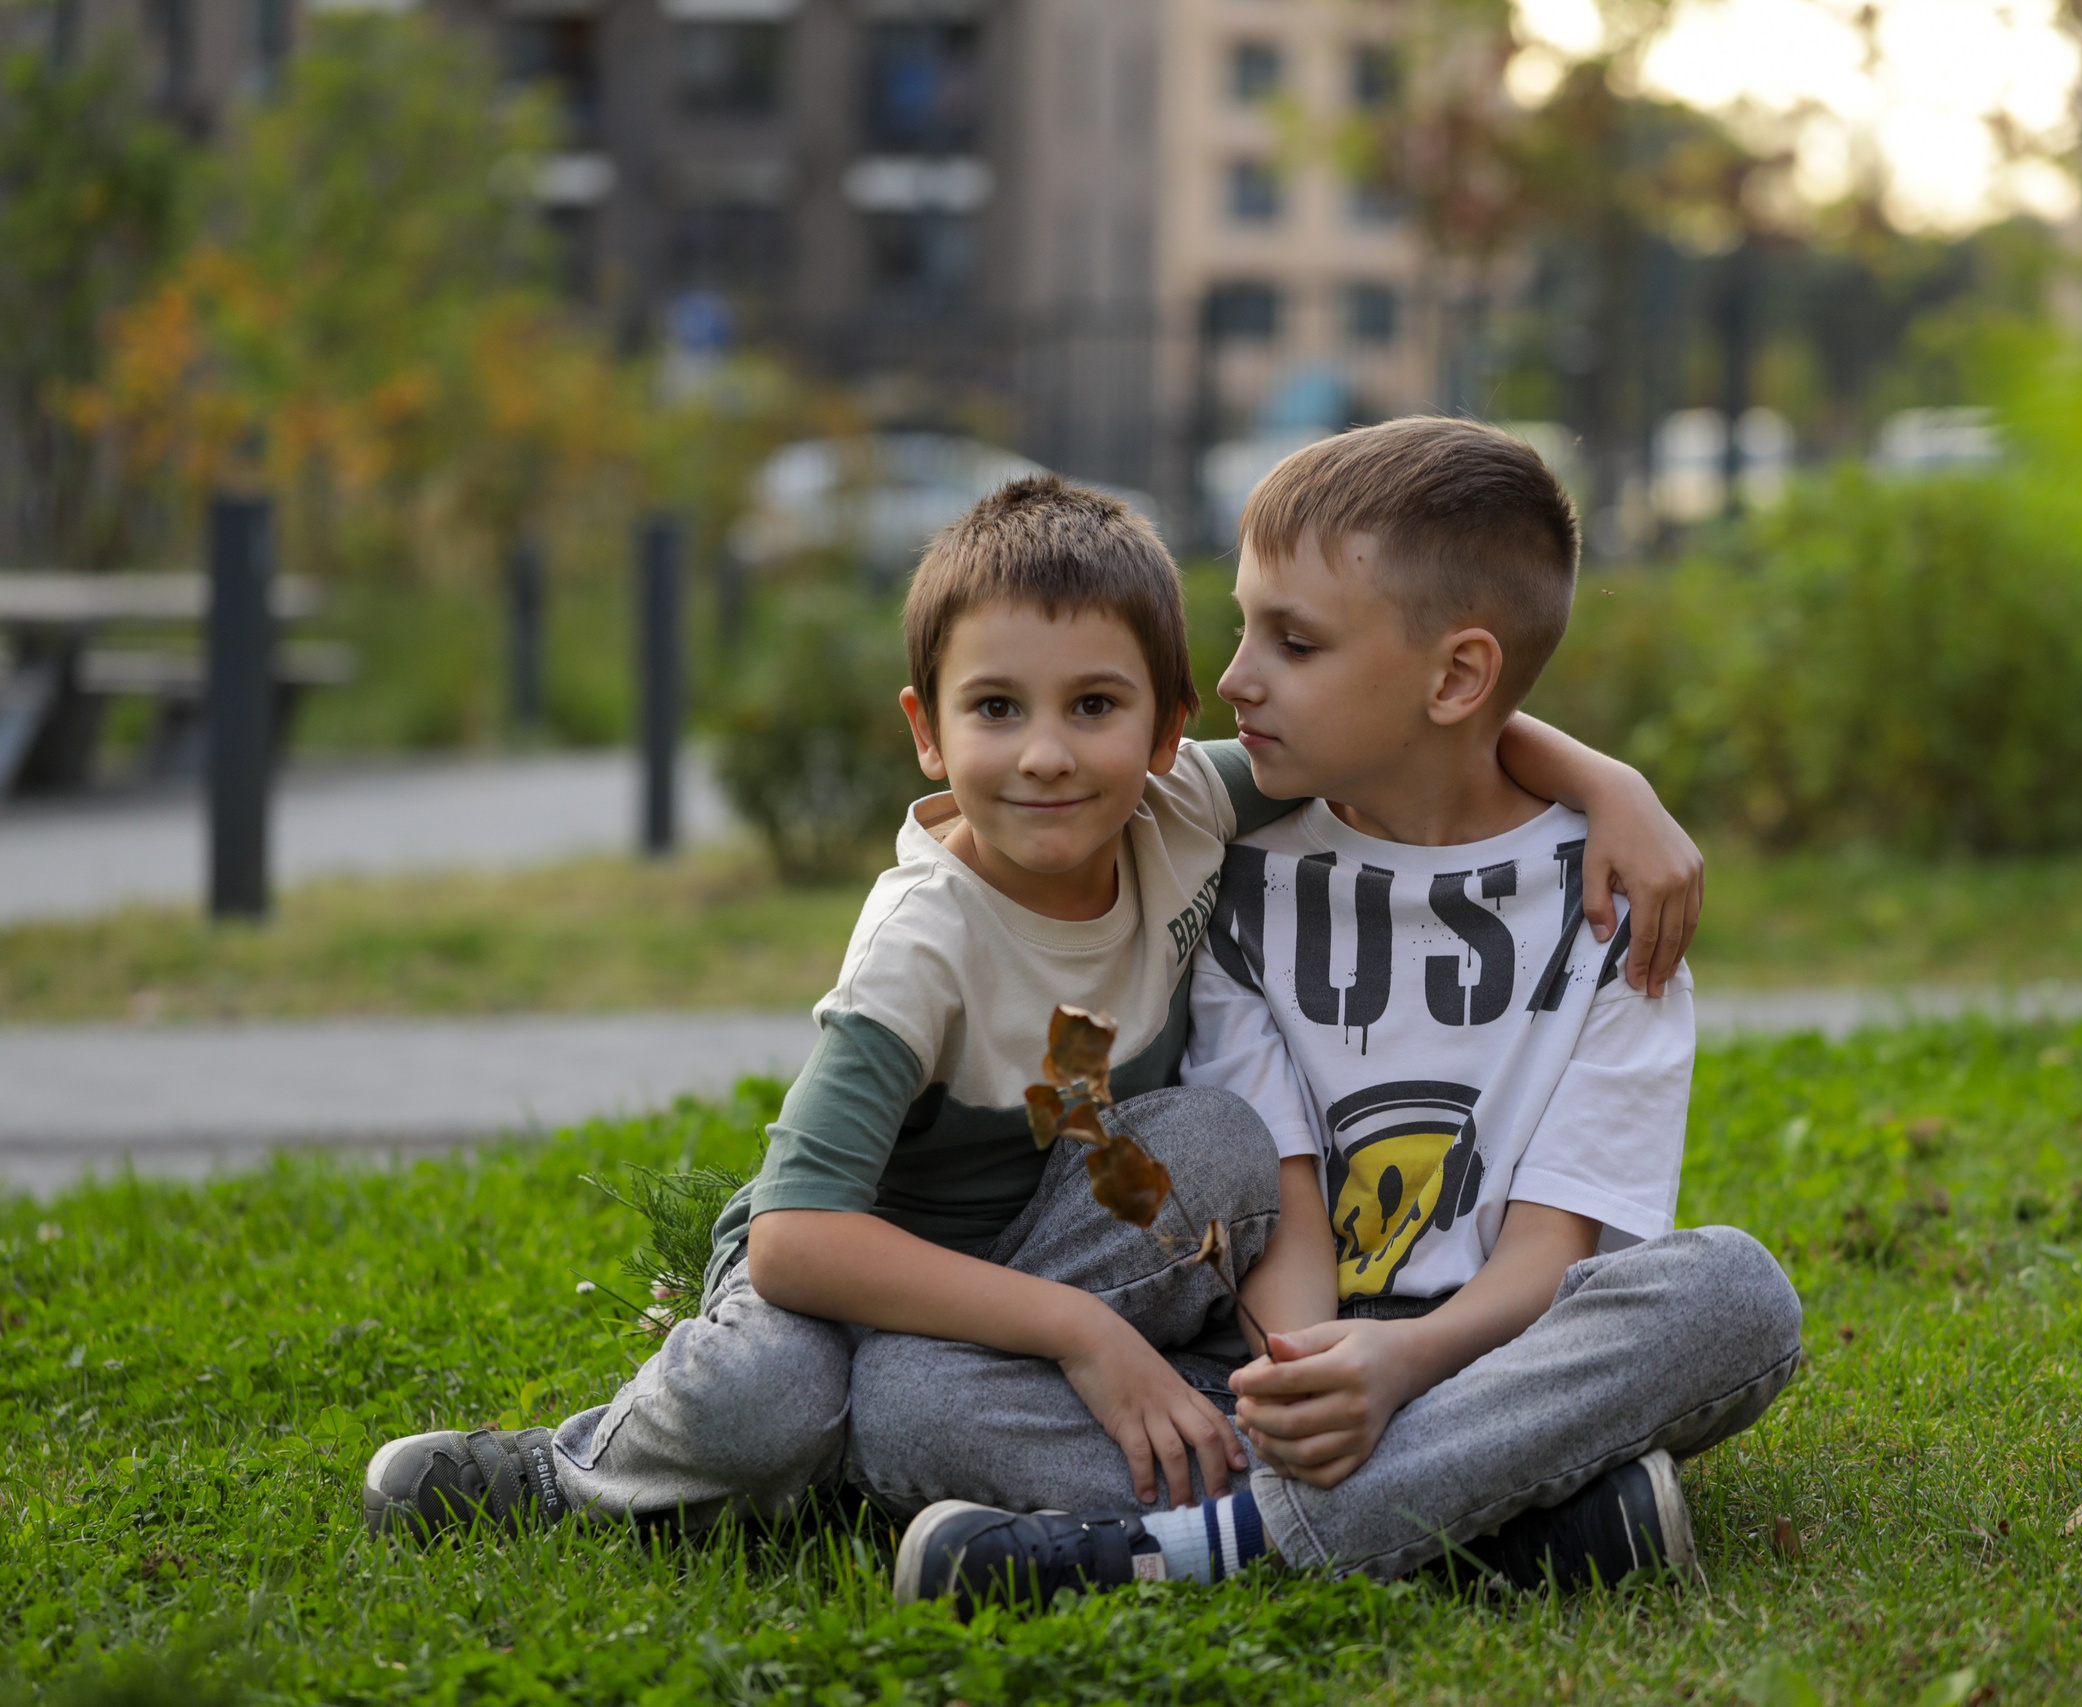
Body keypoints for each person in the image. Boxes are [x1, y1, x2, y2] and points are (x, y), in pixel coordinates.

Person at [361, 473, 1700, 1539]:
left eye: (1095, 706)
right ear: (928, 731)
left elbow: (1426, 722)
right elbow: (794, 1241)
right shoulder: (922, 941)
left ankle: (1092, 1466)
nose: (1050, 752)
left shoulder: (1181, 808)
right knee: (782, 1391)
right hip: (859, 1277)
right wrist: (1081, 1330)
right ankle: (580, 1463)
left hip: (1065, 1231)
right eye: (995, 707)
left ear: (1168, 730)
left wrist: (1612, 786)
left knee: (1214, 1141)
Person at [892, 419, 1804, 1608]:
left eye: (1294, 641)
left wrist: (1405, 1365)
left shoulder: (1612, 907)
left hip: (1507, 1358)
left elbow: (1551, 1252)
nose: (1233, 679)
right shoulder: (1225, 861)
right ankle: (1526, 1527)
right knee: (907, 1397)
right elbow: (1283, 1194)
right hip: (1269, 1367)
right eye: (1241, 623)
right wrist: (1313, 1376)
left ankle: (1196, 1553)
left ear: (1456, 676)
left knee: (1732, 1297)